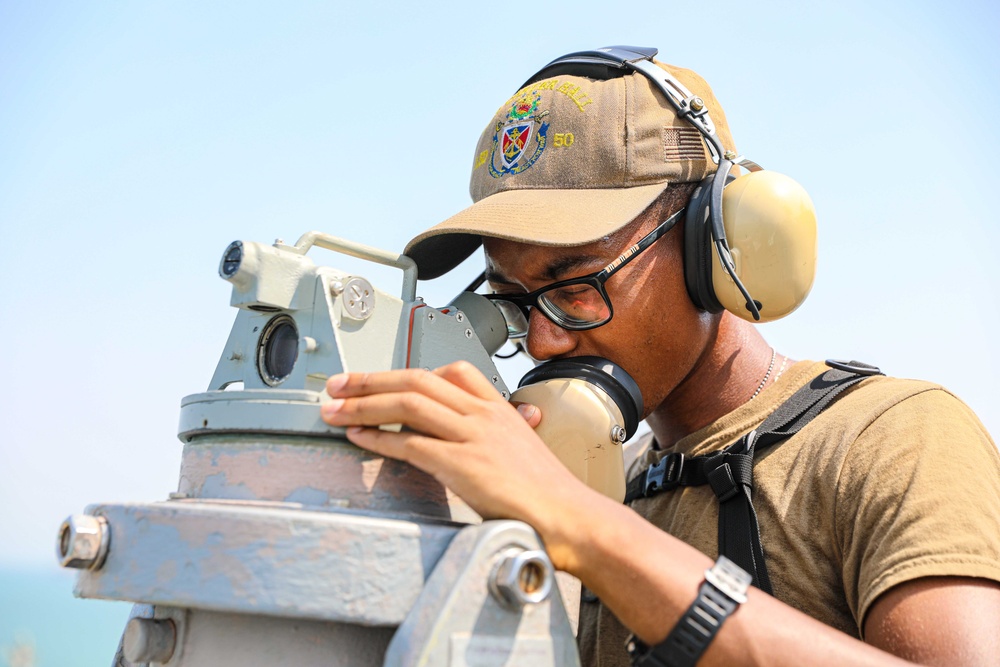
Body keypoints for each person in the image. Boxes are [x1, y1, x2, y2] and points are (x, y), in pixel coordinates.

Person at [319, 48, 1000, 666]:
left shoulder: (891, 438)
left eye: (579, 285)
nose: (546, 340)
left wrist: (582, 525)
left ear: (714, 244)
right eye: (516, 300)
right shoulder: (608, 481)